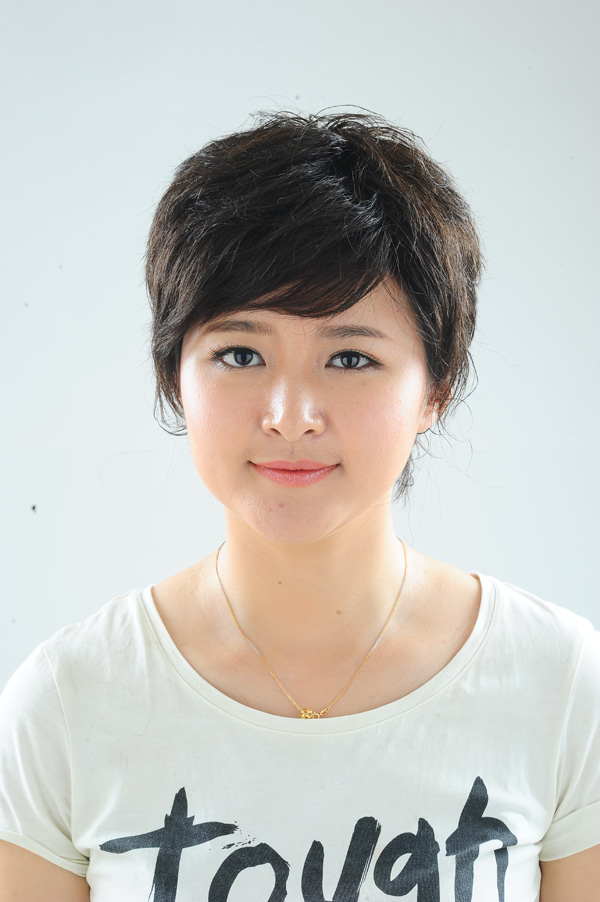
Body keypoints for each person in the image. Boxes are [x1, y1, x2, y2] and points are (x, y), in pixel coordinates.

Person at [0, 111, 598, 902]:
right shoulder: (68, 702)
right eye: (239, 353)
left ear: (437, 389)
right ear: (175, 378)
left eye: (350, 357)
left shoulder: (562, 686)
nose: (290, 416)